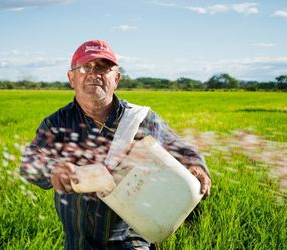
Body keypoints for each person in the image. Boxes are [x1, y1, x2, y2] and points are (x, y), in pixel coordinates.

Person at [20, 39, 211, 250]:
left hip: (132, 241)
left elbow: (180, 147)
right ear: (71, 78)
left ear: (116, 78)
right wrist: (52, 169)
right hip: (78, 243)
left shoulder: (140, 119)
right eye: (85, 67)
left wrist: (196, 165)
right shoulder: (57, 123)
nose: (94, 73)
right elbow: (30, 162)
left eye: (103, 67)